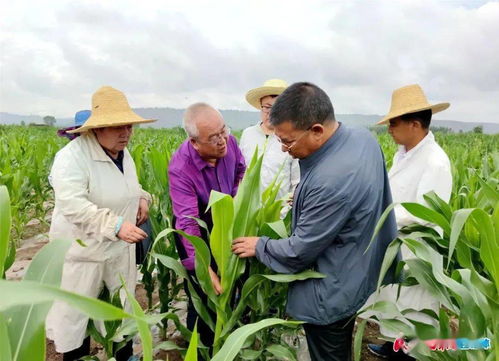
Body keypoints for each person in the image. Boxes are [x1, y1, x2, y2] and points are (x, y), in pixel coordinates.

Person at [232, 82, 398, 361]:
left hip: (330, 291)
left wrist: (261, 245)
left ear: (317, 131)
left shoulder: (329, 182)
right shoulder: (363, 139)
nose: (284, 149)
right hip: (359, 269)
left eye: (287, 141)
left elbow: (299, 251)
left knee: (329, 352)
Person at [46, 86, 155, 361]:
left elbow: (128, 186)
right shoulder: (71, 158)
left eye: (128, 126)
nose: (126, 133)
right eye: (117, 126)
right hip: (83, 256)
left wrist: (142, 199)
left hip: (118, 253)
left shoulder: (122, 153)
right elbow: (72, 205)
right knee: (76, 323)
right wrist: (116, 225)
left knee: (121, 317)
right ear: (97, 128)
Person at [366, 84, 452, 360]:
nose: (389, 129)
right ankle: (394, 346)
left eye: (394, 123)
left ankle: (406, 355)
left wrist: (378, 217)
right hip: (395, 245)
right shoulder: (403, 154)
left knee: (413, 308)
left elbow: (424, 212)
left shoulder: (435, 162)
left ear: (414, 124)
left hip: (416, 250)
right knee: (394, 303)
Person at [168, 102, 246, 348]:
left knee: (234, 282)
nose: (222, 140)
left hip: (228, 219)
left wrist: (235, 203)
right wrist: (204, 267)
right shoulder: (181, 168)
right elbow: (187, 223)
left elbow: (241, 171)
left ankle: (231, 340)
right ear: (194, 142)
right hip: (197, 229)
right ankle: (202, 348)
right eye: (213, 138)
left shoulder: (229, 142)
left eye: (224, 131)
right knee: (203, 293)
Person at [240, 79, 299, 202]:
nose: (271, 113)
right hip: (247, 214)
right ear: (261, 107)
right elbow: (239, 174)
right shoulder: (248, 134)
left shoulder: (293, 139)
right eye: (267, 107)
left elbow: (296, 182)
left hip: (279, 215)